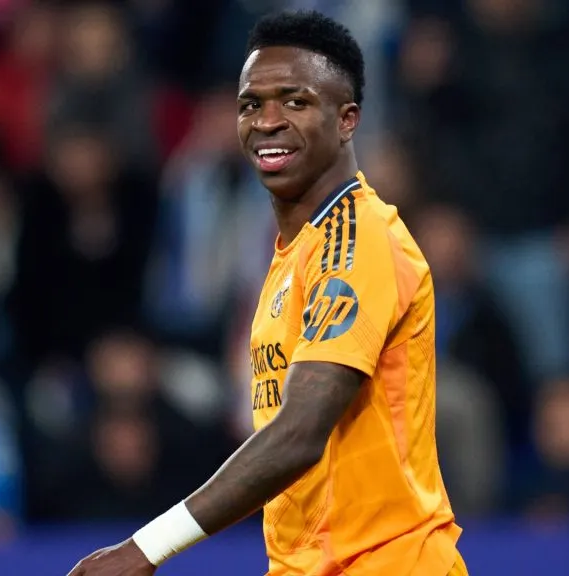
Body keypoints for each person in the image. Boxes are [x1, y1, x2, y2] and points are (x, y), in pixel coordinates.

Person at [69, 10, 466, 576]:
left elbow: (301, 432)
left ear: (347, 119)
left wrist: (145, 547)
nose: (267, 120)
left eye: (296, 101)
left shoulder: (355, 242)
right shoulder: (294, 254)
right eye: (251, 104)